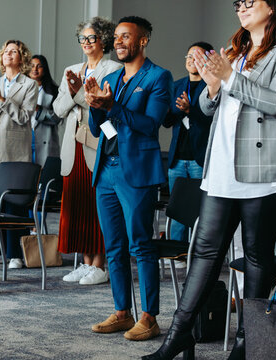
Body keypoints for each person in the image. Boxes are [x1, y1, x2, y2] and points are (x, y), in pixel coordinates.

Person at [144, 0, 276, 359]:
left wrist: (229, 77)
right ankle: (179, 335)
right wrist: (213, 86)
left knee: (258, 257)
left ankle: (249, 342)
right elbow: (208, 108)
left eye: (250, 1)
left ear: (273, 7)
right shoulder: (236, 51)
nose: (241, 7)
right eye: (237, 3)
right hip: (222, 167)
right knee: (203, 251)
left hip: (264, 171)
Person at [85, 16, 172, 341]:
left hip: (136, 172)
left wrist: (113, 106)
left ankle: (148, 317)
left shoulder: (158, 77)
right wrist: (94, 103)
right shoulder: (115, 76)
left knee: (141, 244)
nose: (118, 41)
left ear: (143, 40)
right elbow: (98, 128)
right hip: (106, 169)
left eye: (126, 36)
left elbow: (150, 125)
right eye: (117, 37)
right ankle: (122, 312)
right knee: (114, 246)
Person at [53, 16, 121, 286]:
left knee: (97, 207)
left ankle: (100, 265)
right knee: (77, 205)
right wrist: (73, 93)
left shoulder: (114, 68)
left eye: (92, 38)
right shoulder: (72, 68)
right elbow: (58, 109)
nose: (86, 43)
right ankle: (84, 262)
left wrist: (78, 92)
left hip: (98, 142)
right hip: (73, 145)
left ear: (103, 40)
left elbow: (103, 106)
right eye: (82, 38)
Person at [0, 39, 38, 269]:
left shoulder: (29, 85)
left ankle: (16, 253)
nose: (9, 55)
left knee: (14, 204)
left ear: (22, 57)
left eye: (14, 51)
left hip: (14, 153)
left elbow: (24, 117)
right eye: (6, 52)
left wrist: (2, 98)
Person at [163, 42, 214, 243]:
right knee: (177, 210)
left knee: (199, 210)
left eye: (197, 56)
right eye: (189, 56)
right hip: (177, 158)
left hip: (199, 158)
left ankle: (196, 253)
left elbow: (212, 120)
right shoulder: (176, 85)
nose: (192, 60)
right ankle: (178, 254)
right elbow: (167, 122)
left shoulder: (212, 86)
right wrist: (166, 111)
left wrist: (189, 110)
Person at [29, 55, 61, 166]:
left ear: (45, 69)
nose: (35, 69)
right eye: (32, 66)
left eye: (39, 66)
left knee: (41, 177)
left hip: (45, 139)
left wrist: (39, 110)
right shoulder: (20, 87)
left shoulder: (54, 90)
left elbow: (57, 118)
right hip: (26, 138)